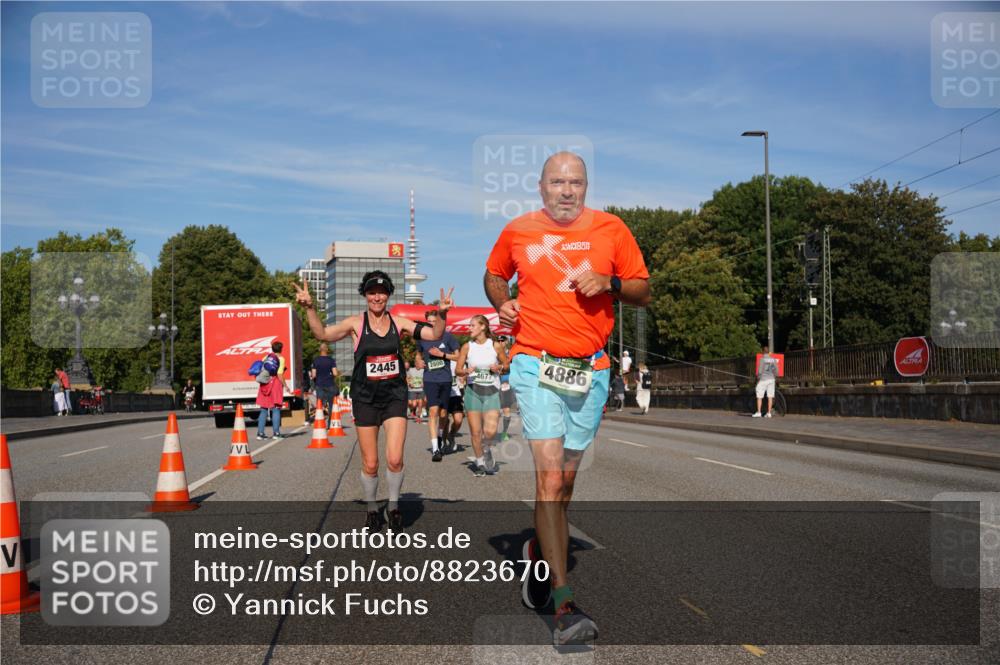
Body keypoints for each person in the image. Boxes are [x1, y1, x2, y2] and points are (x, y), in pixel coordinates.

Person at [484, 151, 650, 645]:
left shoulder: (612, 229)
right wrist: (502, 301)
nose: (566, 190)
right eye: (557, 182)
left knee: (566, 483)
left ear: (586, 186)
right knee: (551, 476)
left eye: (575, 182)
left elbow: (643, 289)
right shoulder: (518, 230)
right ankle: (564, 604)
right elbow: (494, 274)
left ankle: (540, 545)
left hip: (591, 369)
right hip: (535, 362)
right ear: (541, 187)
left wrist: (610, 283)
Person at [295, 271, 454, 531]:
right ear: (365, 295)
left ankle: (393, 508)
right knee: (370, 463)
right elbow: (322, 334)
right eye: (372, 292)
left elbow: (433, 334)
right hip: (365, 397)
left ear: (388, 294)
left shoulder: (399, 322)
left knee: (394, 459)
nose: (377, 297)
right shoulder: (356, 324)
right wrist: (311, 308)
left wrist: (443, 314)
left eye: (381, 292)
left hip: (394, 396)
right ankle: (371, 509)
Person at [456, 315, 509, 477]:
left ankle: (486, 449)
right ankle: (479, 462)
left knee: (491, 431)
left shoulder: (495, 346)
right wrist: (464, 371)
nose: (469, 328)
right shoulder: (467, 346)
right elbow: (458, 369)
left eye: (472, 325)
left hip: (491, 392)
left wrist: (499, 367)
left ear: (483, 327)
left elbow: (506, 366)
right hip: (473, 392)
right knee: (475, 432)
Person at [418, 309, 461, 461]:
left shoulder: (448, 337)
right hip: (430, 379)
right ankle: (435, 448)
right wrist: (418, 361)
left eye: (434, 321)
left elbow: (458, 356)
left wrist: (442, 355)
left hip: (445, 379)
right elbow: (418, 355)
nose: (432, 324)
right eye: (429, 322)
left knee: (443, 414)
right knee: (433, 412)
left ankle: (441, 436)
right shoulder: (422, 338)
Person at [256, 341, 291, 440]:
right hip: (275, 384)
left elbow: (261, 368)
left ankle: (260, 433)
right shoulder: (281, 358)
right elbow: (279, 374)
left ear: (272, 349)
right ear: (281, 349)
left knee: (263, 409)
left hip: (264, 384)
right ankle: (276, 433)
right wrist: (286, 386)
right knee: (276, 409)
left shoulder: (266, 357)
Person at [310, 343, 340, 415]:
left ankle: (320, 422)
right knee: (331, 405)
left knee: (320, 405)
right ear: (327, 349)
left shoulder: (316, 360)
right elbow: (335, 373)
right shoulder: (331, 360)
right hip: (330, 384)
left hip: (319, 385)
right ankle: (330, 423)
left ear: (319, 350)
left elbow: (313, 375)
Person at [498, 336, 516, 441]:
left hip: (506, 384)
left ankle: (504, 432)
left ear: (506, 342)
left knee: (506, 410)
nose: (500, 343)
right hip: (494, 384)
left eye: (502, 341)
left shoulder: (511, 354)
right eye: (498, 341)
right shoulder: (493, 353)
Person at [753, 345, 779, 418]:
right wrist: (775, 376)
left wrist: (757, 378)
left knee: (759, 395)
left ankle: (758, 412)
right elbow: (776, 370)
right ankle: (769, 413)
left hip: (763, 379)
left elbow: (760, 371)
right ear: (768, 352)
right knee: (770, 396)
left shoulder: (762, 359)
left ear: (763, 352)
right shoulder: (773, 359)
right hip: (771, 379)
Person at [405, 358, 426, 423]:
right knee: (413, 404)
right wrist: (409, 383)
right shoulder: (410, 370)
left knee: (420, 403)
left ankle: (418, 417)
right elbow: (407, 378)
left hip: (420, 389)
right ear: (416, 364)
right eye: (421, 364)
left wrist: (424, 383)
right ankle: (412, 410)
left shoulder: (424, 370)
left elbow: (426, 378)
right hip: (412, 389)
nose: (423, 365)